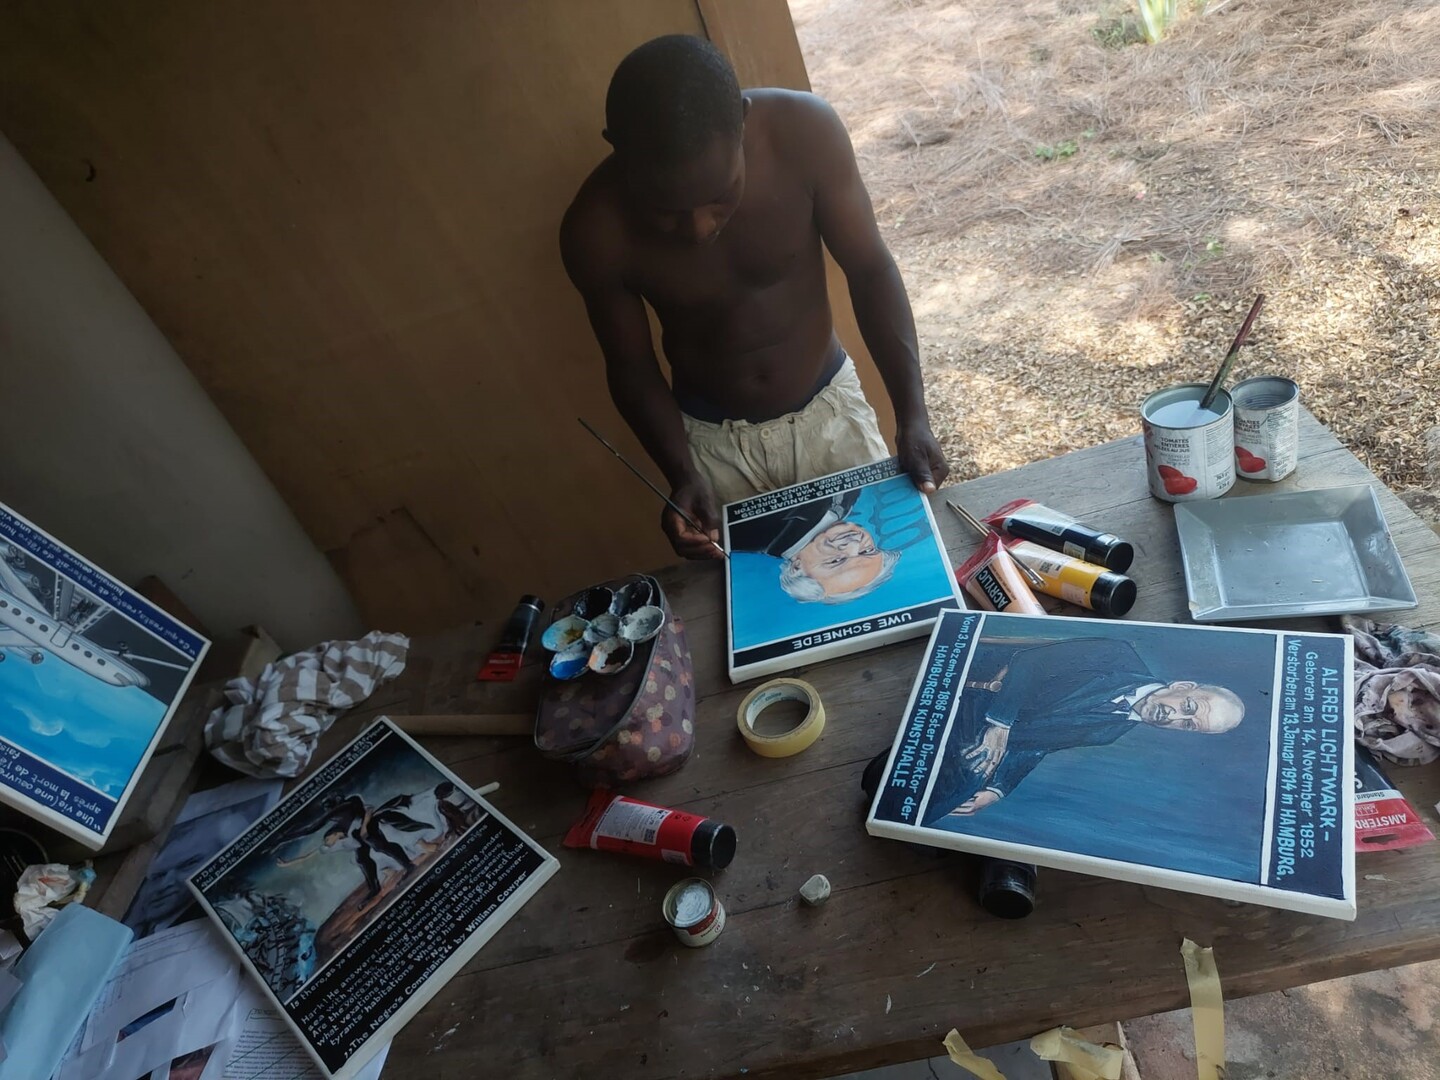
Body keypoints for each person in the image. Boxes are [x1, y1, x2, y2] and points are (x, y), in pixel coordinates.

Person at [561, 34, 948, 560]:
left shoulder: (806, 135)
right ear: (617, 146)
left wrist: (913, 416)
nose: (697, 229)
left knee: (888, 582)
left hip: (832, 417)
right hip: (710, 448)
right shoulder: (595, 230)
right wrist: (681, 473)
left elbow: (871, 269)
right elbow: (631, 365)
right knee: (764, 622)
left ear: (741, 122)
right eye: (665, 210)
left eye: (720, 197)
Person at [923, 637, 1245, 824]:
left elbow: (1037, 745)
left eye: (1187, 725)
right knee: (950, 788)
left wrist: (999, 790)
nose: (1173, 716)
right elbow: (1030, 662)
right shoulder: (1118, 655)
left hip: (973, 730)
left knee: (954, 797)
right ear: (1183, 686)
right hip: (972, 683)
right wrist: (1000, 724)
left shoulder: (1110, 733)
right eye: (1188, 707)